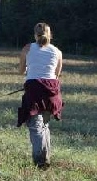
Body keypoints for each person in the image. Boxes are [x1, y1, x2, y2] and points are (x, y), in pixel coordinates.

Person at [17, 22, 63, 169]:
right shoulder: (57, 52)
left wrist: (30, 70)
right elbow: (57, 74)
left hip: (34, 90)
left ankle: (41, 160)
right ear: (50, 35)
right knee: (44, 125)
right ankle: (45, 157)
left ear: (35, 35)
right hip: (52, 92)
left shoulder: (27, 48)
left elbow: (21, 70)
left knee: (35, 125)